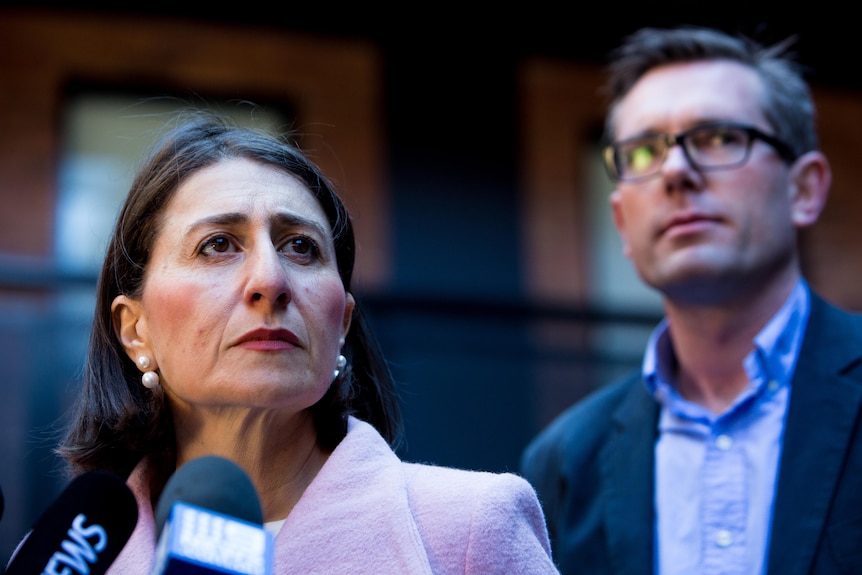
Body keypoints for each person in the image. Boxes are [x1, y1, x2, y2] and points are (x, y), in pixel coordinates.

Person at [49, 111, 559, 574]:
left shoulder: (471, 528)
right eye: (218, 245)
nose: (270, 280)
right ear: (136, 331)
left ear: (342, 324)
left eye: (300, 247)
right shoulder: (67, 561)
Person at [521, 26, 862, 575]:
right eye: (645, 150)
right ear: (621, 222)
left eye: (720, 138)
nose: (676, 171)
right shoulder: (563, 462)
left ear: (804, 189)